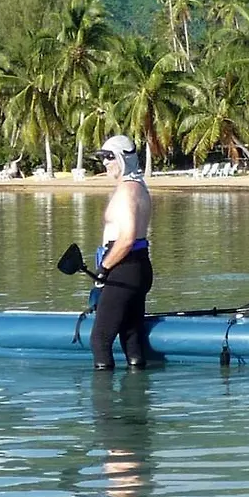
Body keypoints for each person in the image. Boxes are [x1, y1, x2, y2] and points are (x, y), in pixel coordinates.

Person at [89, 134, 153, 370]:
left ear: (123, 159)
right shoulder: (140, 188)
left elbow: (126, 239)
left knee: (100, 340)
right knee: (131, 336)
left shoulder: (127, 192)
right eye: (102, 157)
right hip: (139, 267)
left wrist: (104, 269)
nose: (105, 162)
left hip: (124, 269)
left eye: (109, 157)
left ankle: (104, 407)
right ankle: (136, 404)